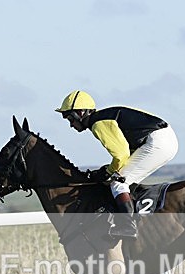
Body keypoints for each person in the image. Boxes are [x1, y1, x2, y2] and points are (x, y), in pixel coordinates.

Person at [55, 90, 178, 240]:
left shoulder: (98, 124)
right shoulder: (104, 118)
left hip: (157, 143)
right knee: (124, 178)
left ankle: (127, 226)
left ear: (80, 113)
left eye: (70, 118)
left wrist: (108, 171)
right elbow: (124, 154)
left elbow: (121, 155)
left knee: (118, 183)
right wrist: (110, 170)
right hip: (163, 140)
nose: (70, 125)